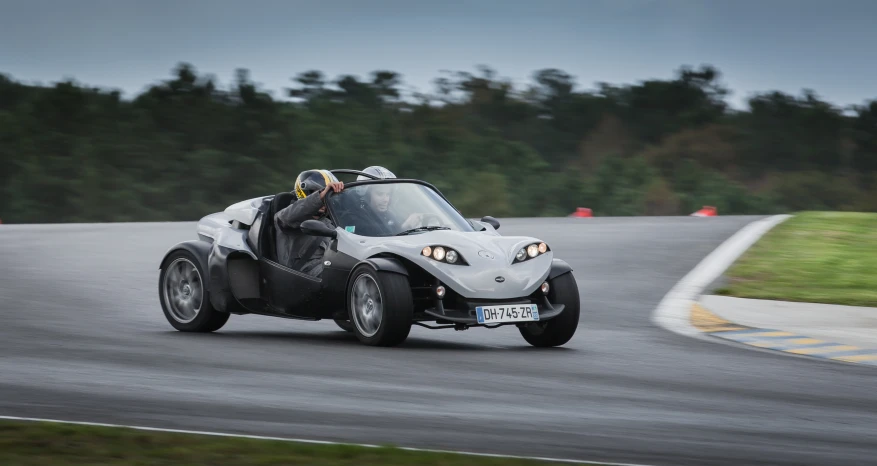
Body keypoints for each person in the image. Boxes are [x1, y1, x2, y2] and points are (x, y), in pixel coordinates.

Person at [274, 169, 344, 276]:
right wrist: (320, 195)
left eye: (328, 195)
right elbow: (296, 211)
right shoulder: (286, 216)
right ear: (304, 192)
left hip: (328, 264)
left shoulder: (330, 221)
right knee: (341, 273)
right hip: (302, 273)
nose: (325, 199)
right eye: (316, 192)